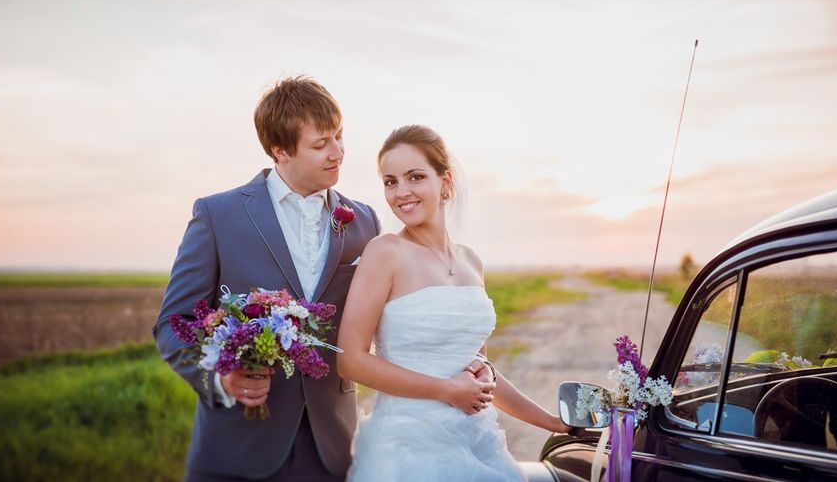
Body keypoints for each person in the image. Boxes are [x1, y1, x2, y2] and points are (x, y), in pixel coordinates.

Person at [154, 78, 494, 482]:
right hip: (235, 449)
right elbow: (174, 324)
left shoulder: (364, 220)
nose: (338, 154)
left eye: (340, 137)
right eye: (321, 145)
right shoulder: (217, 215)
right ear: (281, 150)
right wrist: (222, 377)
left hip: (330, 449)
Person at [338, 125, 568, 482]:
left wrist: (553, 422)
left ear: (445, 183)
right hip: (406, 449)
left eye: (415, 177)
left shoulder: (471, 262)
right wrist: (446, 390)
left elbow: (480, 369)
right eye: (390, 181)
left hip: (478, 441)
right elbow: (350, 360)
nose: (401, 193)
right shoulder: (385, 253)